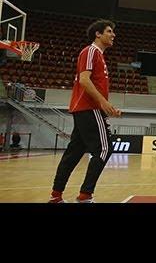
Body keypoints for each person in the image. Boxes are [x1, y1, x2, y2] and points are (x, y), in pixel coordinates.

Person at [48, 20, 121, 203]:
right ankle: (85, 195)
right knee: (104, 149)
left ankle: (56, 195)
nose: (113, 35)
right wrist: (103, 103)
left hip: (86, 109)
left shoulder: (100, 56)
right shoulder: (91, 51)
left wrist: (107, 106)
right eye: (109, 31)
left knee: (73, 153)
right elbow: (84, 80)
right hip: (89, 109)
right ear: (98, 34)